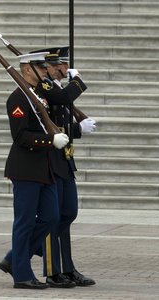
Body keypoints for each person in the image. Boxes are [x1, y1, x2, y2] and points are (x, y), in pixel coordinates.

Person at [0, 52, 68, 289]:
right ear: (27, 69)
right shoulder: (18, 98)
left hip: (45, 167)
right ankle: (22, 275)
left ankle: (14, 258)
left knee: (51, 217)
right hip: (26, 168)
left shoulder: (38, 96)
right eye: (41, 67)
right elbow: (20, 136)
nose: (46, 70)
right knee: (25, 222)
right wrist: (50, 141)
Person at [41, 47, 96, 286]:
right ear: (48, 68)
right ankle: (54, 271)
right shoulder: (44, 87)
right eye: (59, 65)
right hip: (50, 161)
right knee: (53, 218)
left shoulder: (58, 88)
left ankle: (67, 267)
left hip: (65, 160)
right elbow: (61, 104)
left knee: (68, 213)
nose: (64, 69)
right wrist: (78, 81)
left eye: (64, 65)